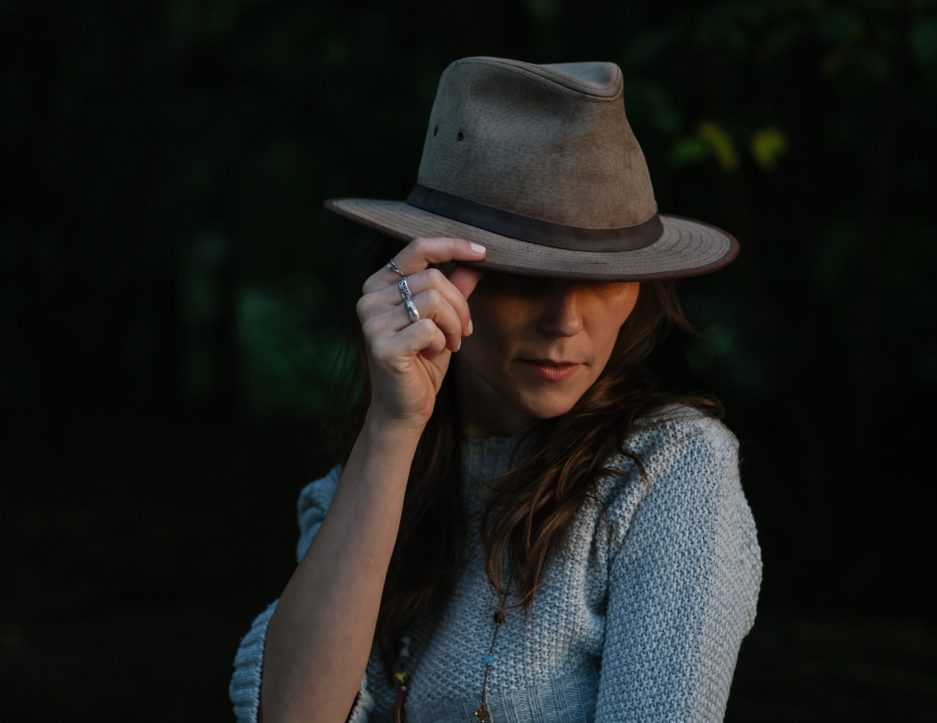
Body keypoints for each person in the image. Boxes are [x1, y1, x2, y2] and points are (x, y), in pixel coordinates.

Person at [230, 56, 762, 723]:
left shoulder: (667, 473)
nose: (567, 321)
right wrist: (393, 431)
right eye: (523, 276)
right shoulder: (357, 490)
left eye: (603, 278)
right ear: (430, 275)